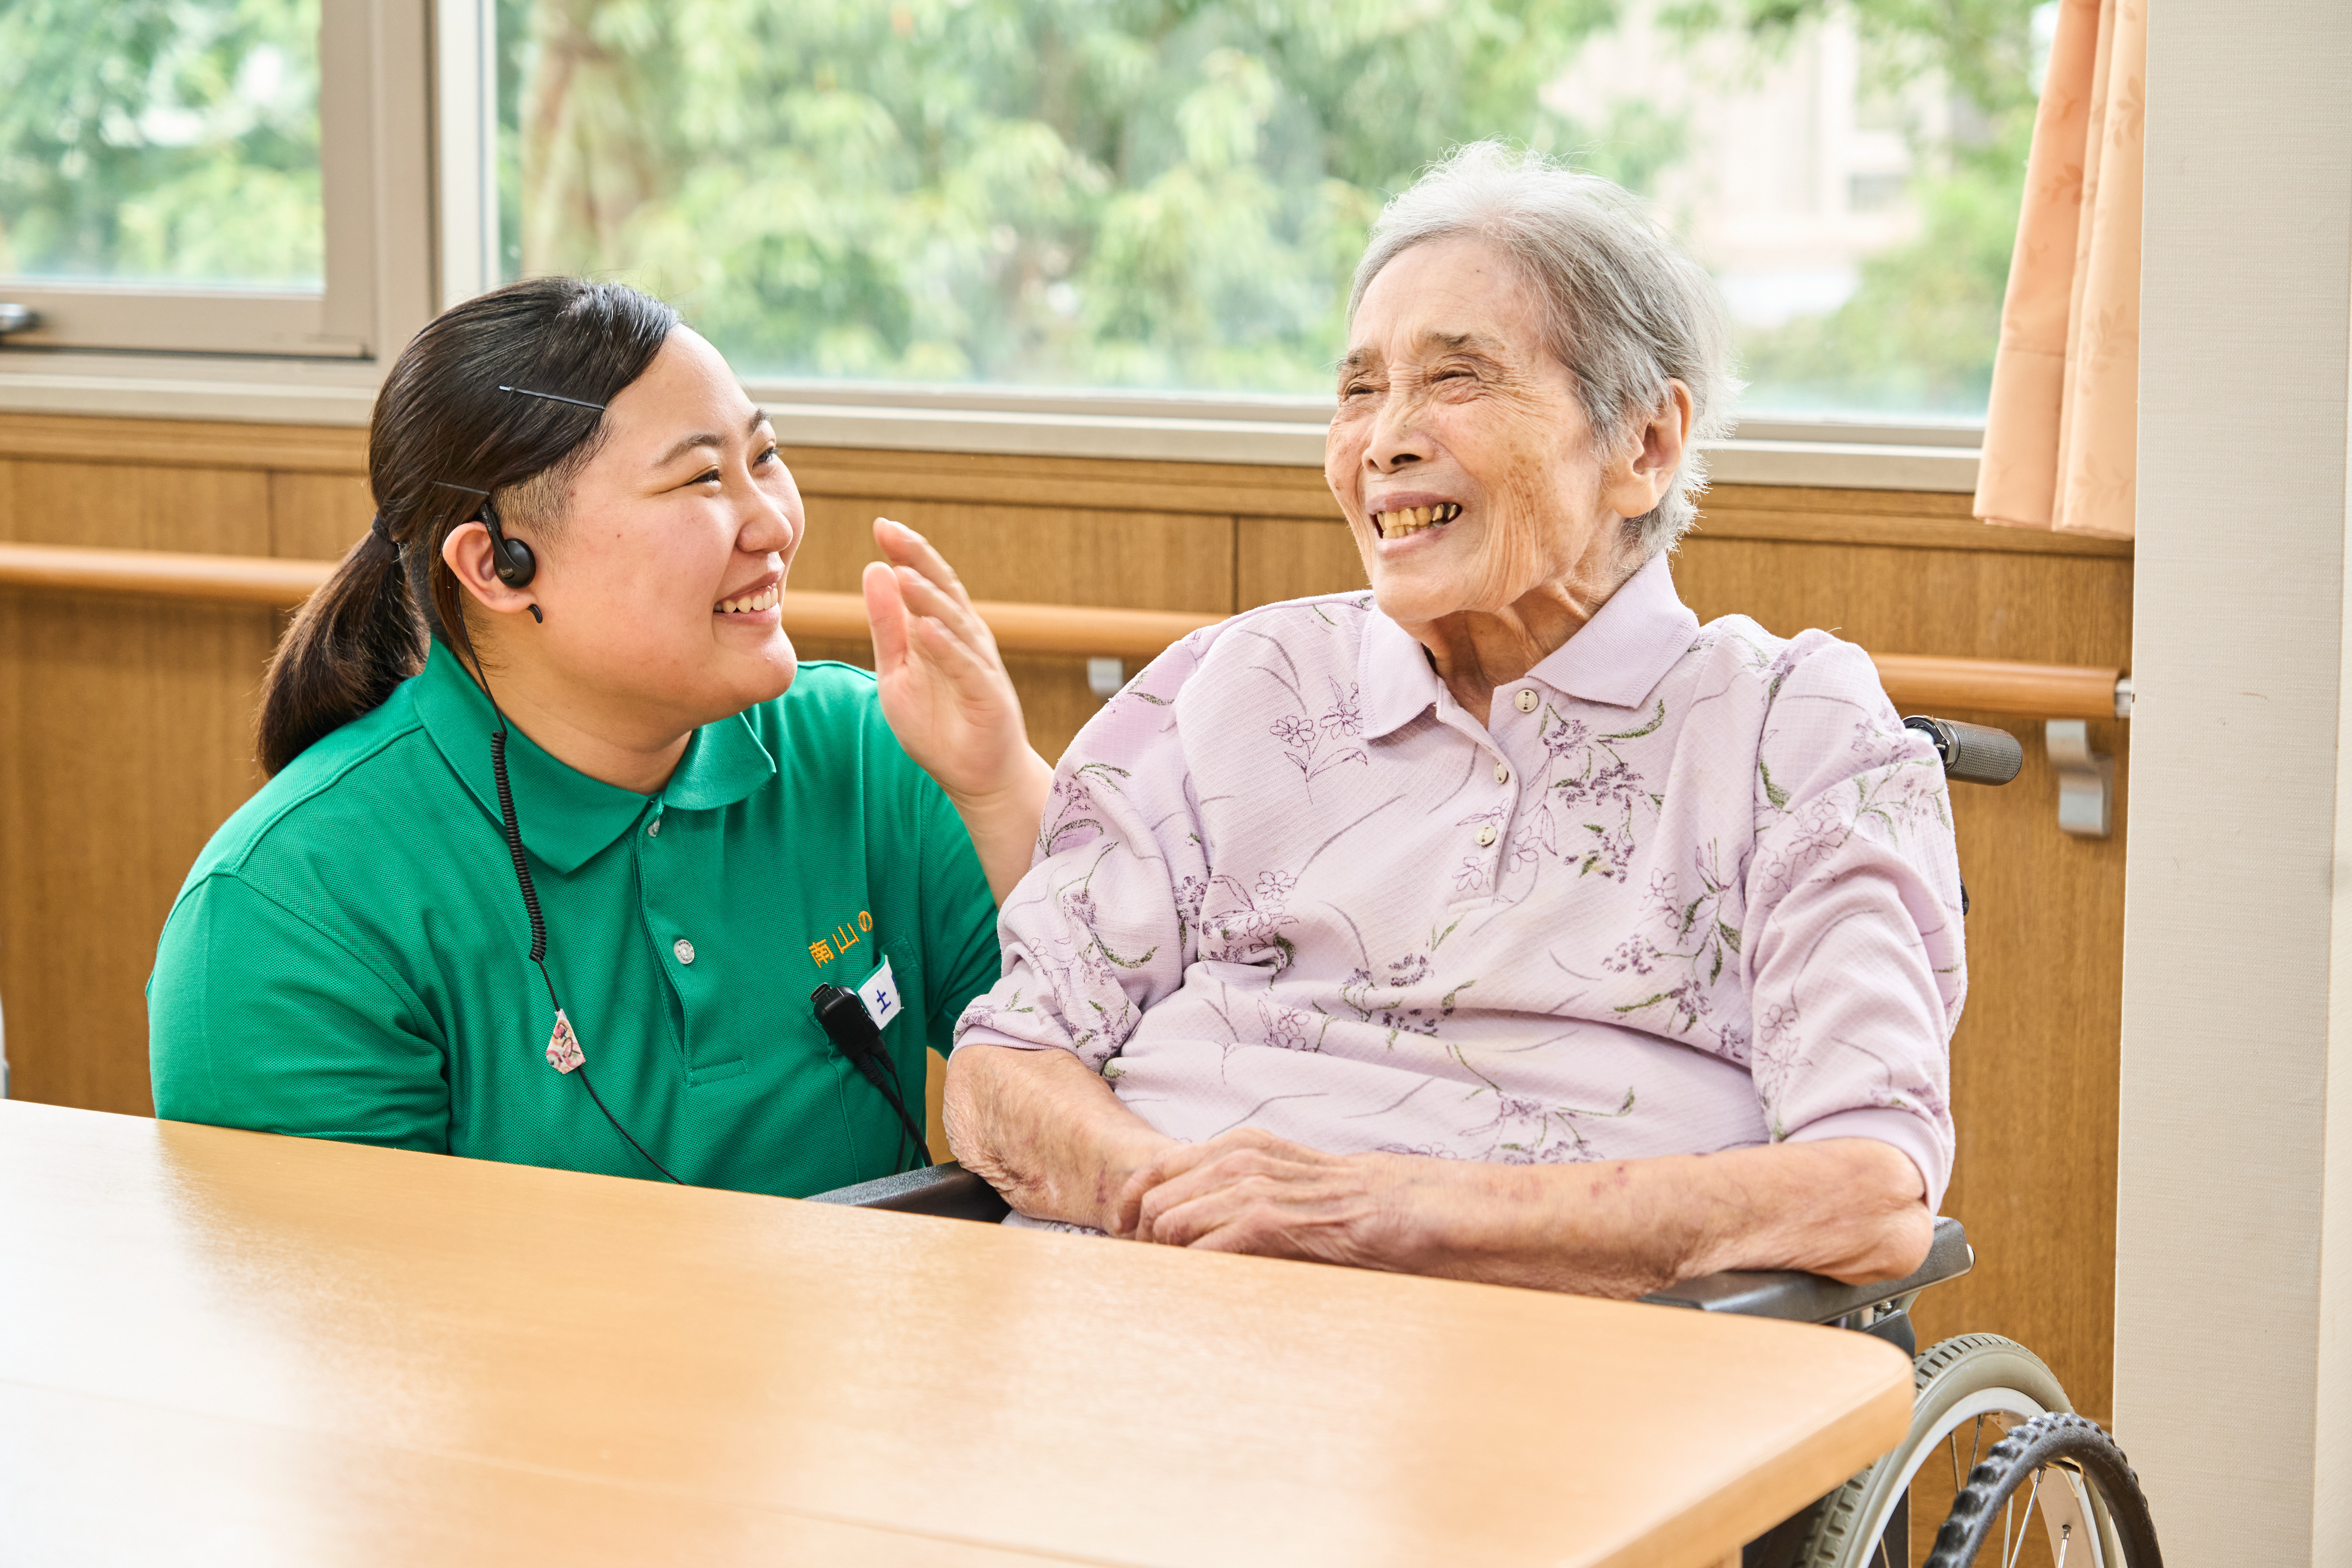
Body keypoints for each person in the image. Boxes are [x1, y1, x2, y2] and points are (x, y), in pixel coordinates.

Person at [943, 142, 1963, 1297]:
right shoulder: (1235, 683)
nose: (1385, 440)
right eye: (1358, 389)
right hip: (1148, 1306)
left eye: (1455, 380)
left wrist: (1380, 1211)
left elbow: (1866, 1197)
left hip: (1530, 1379)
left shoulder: (1790, 729)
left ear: (1644, 443)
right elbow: (1005, 1068)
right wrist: (1172, 1198)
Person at [149, 277, 1051, 1197]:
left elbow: (1130, 1050)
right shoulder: (292, 909)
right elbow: (351, 1321)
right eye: (701, 476)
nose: (775, 522)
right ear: (497, 566)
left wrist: (998, 787)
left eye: (764, 454)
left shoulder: (866, 751)